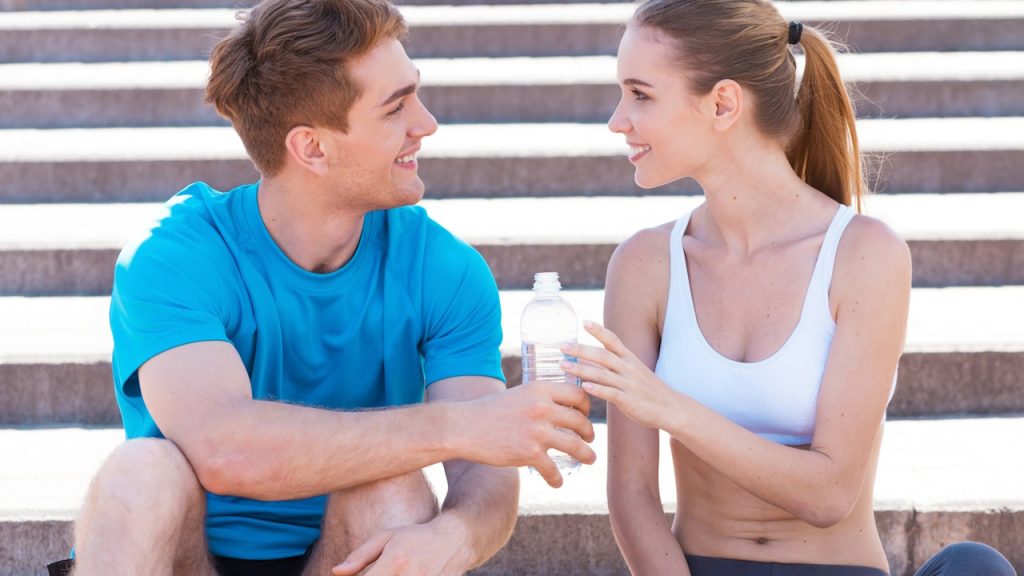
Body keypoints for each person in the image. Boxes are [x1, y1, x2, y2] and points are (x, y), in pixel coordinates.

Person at [49, 1, 596, 575]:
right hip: (190, 558)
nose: (426, 123)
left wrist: (457, 536)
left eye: (415, 94)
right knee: (139, 473)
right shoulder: (174, 257)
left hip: (346, 553)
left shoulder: (442, 267)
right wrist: (461, 427)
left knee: (395, 492)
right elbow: (226, 450)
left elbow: (484, 472)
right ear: (311, 147)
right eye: (395, 109)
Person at [558, 1, 1017, 575]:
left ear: (723, 103)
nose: (617, 120)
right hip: (696, 567)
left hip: (834, 567)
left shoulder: (864, 255)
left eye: (640, 95)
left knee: (975, 566)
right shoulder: (644, 264)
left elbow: (828, 495)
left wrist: (670, 407)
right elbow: (632, 496)